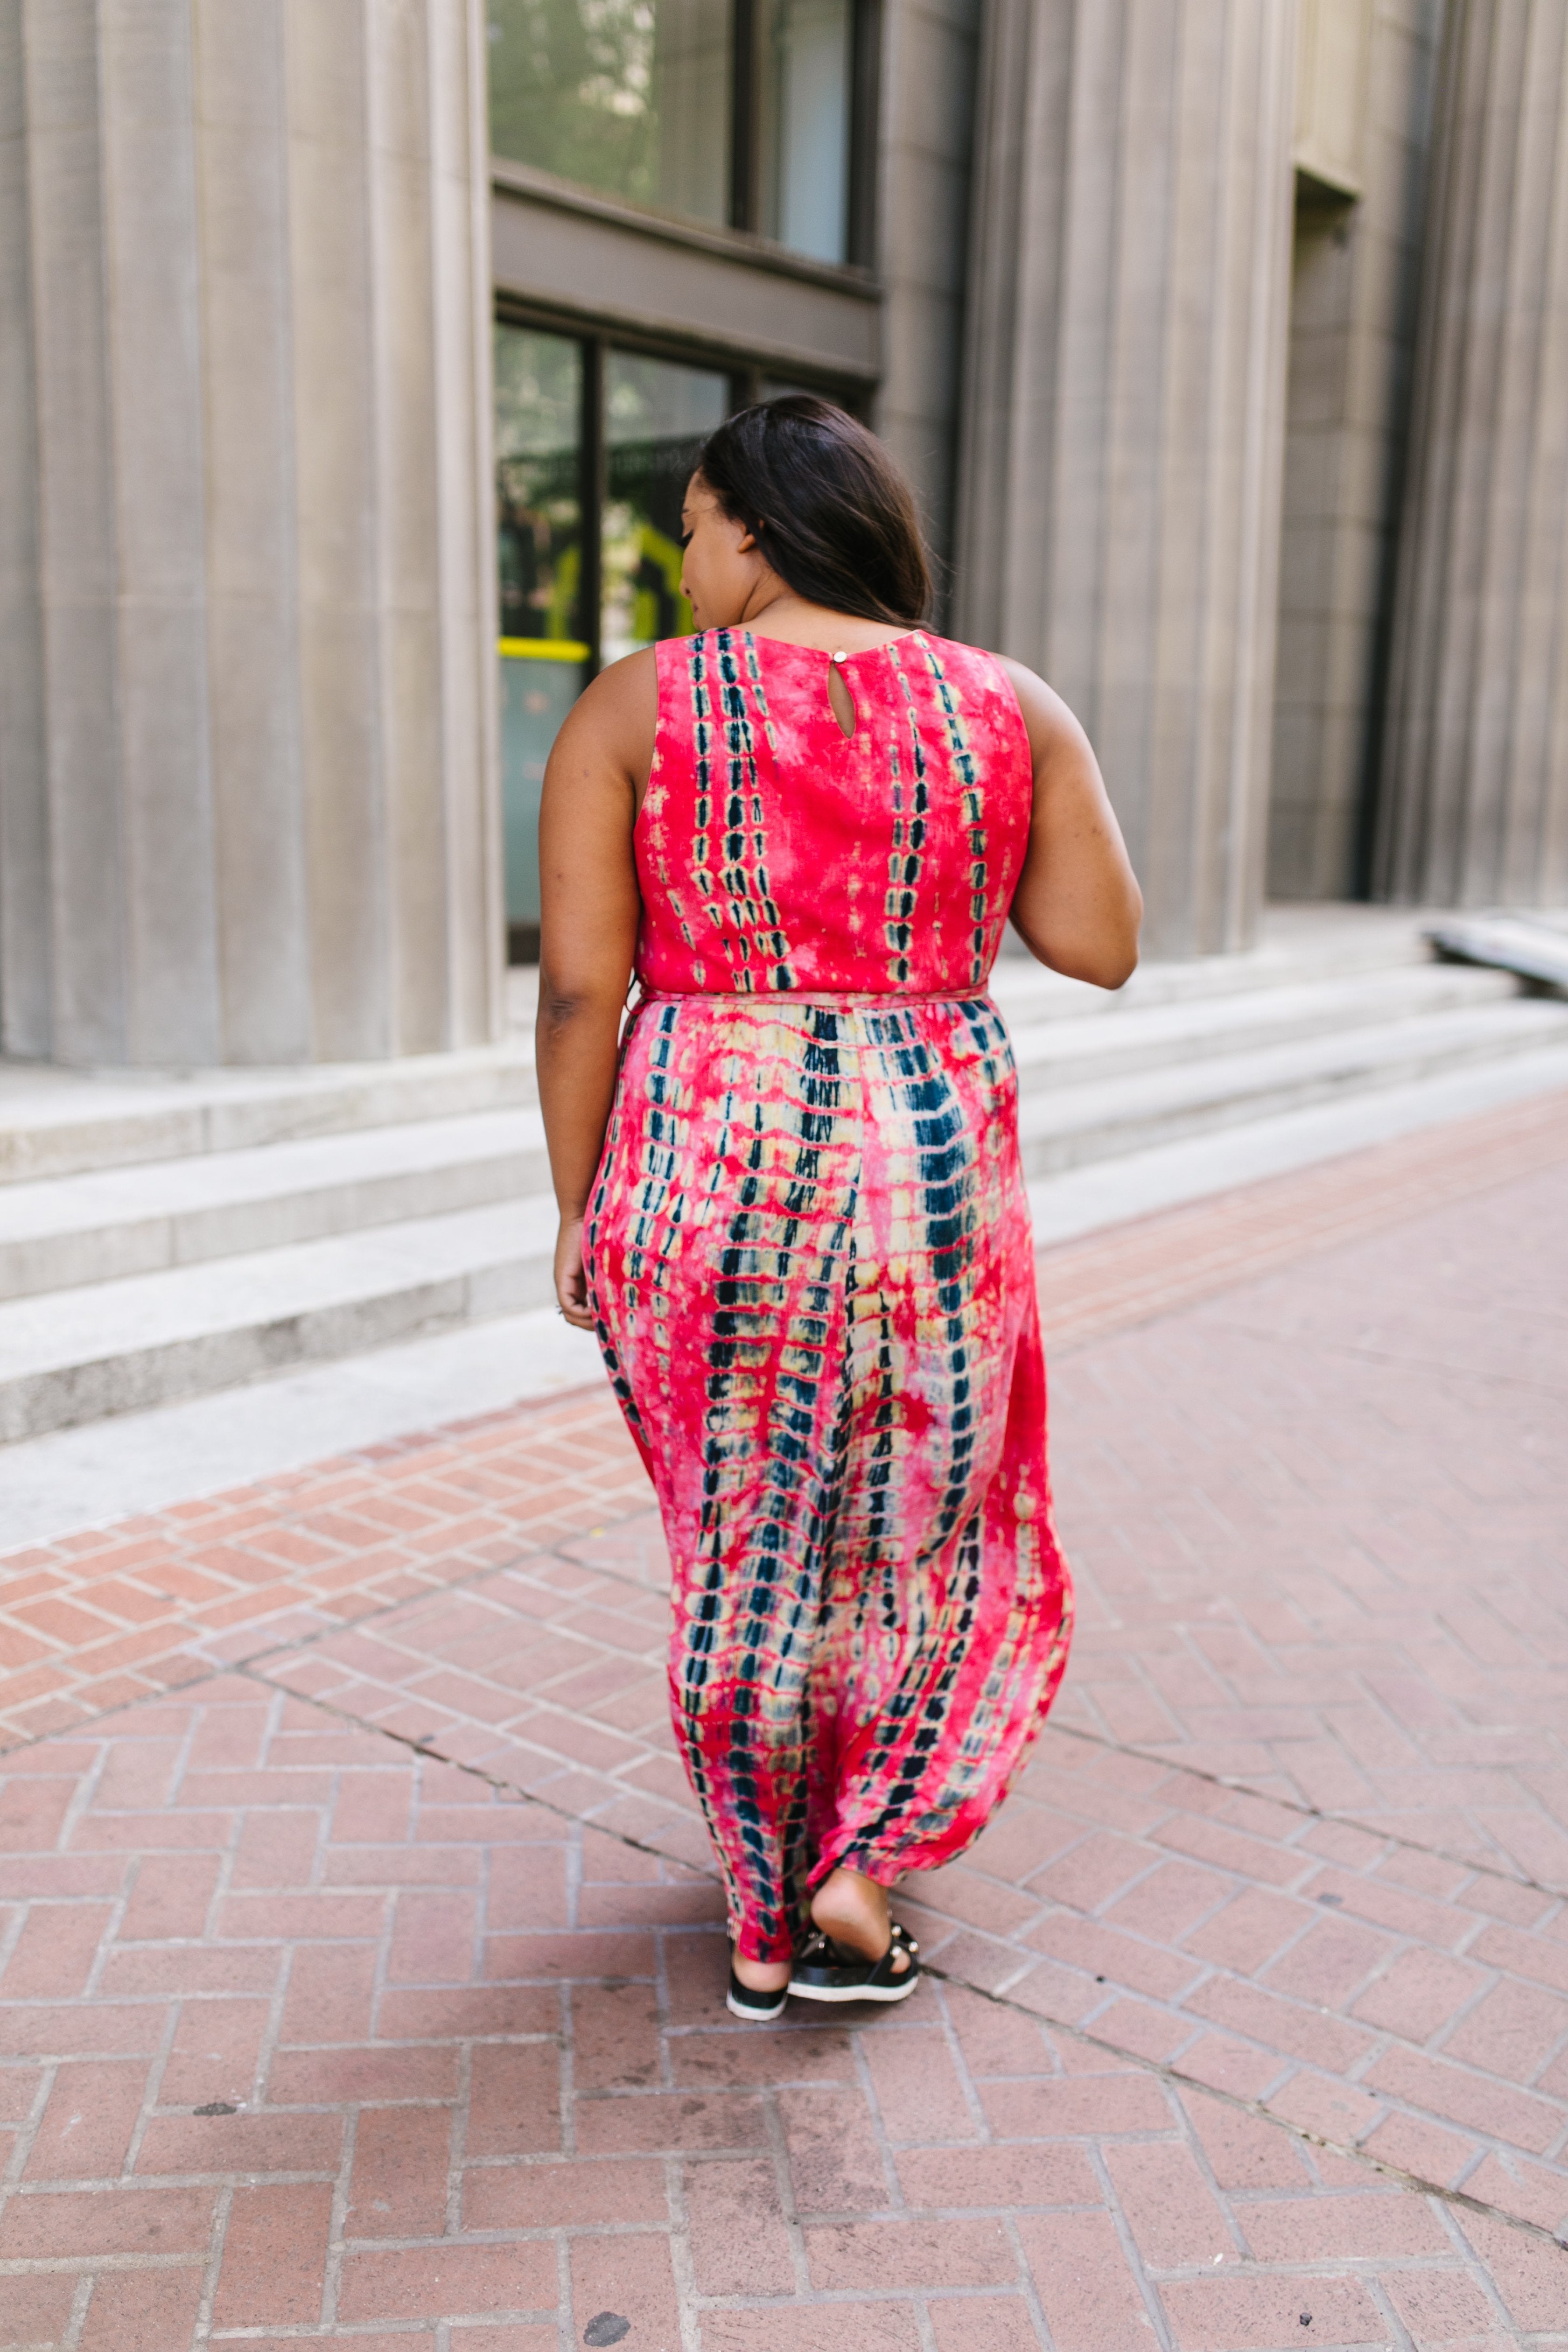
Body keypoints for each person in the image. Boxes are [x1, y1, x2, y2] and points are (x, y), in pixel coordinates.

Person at [537, 397, 1141, 2019]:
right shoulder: (1006, 702)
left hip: (707, 1159)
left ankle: (760, 1914)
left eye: (689, 524)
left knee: (745, 1538)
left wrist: (576, 1206)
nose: (683, 557)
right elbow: (1099, 940)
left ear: (752, 522)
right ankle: (858, 1863)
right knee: (921, 1535)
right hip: (929, 1162)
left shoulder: (636, 707)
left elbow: (582, 989)